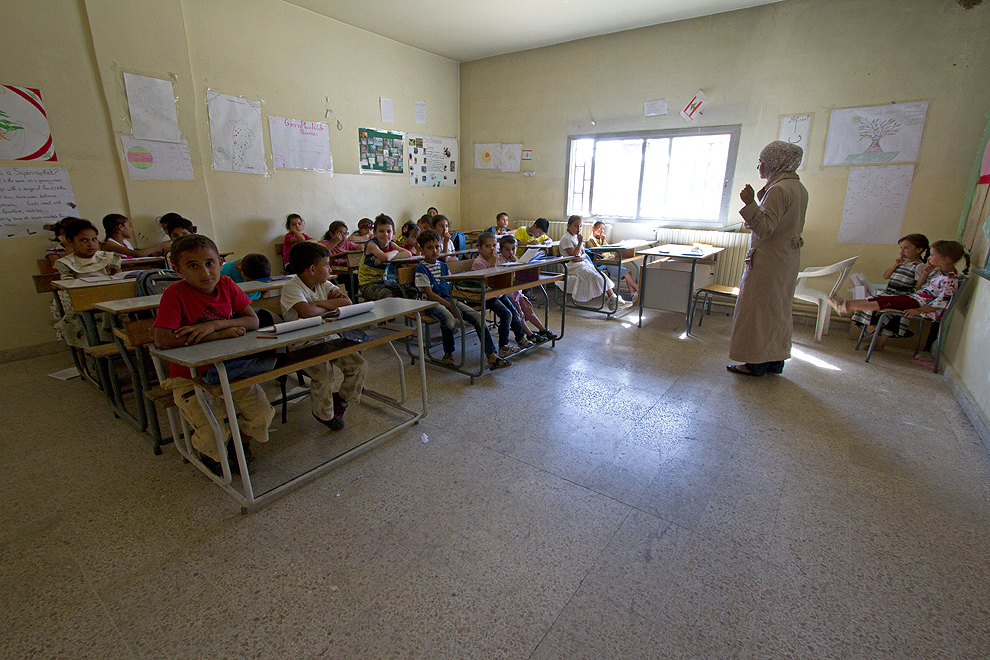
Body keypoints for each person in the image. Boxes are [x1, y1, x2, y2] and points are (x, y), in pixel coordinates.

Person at [153, 234, 275, 476]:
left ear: (220, 262)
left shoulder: (227, 285)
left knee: (261, 414)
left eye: (210, 263)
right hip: (189, 376)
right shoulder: (175, 294)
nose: (205, 273)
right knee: (211, 432)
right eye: (193, 266)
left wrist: (214, 326)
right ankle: (208, 450)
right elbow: (163, 339)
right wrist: (219, 334)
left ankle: (238, 444)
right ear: (178, 270)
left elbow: (252, 320)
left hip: (230, 369)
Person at [727, 140, 809, 377]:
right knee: (777, 311)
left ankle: (755, 363)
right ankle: (775, 360)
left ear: (774, 163)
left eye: (761, 162)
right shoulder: (798, 188)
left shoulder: (779, 189)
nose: (758, 167)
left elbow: (765, 229)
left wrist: (750, 203)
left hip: (769, 262)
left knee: (758, 311)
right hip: (785, 260)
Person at [281, 242, 368, 432]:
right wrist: (328, 305)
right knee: (324, 373)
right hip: (302, 345)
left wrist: (319, 303)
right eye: (327, 264)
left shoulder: (323, 283)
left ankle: (341, 399)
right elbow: (306, 312)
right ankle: (324, 414)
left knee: (358, 364)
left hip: (327, 338)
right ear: (312, 269)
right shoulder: (292, 288)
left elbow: (346, 301)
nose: (330, 268)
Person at [415, 229, 509, 369]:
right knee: (448, 318)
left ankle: (491, 354)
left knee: (478, 317)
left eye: (437, 246)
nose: (435, 251)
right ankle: (448, 353)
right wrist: (450, 305)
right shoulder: (421, 269)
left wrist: (454, 301)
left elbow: (451, 288)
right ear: (422, 249)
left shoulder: (443, 266)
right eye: (430, 247)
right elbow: (430, 294)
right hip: (431, 303)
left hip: (449, 299)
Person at [830, 240, 969, 324]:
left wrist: (918, 310)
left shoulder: (951, 280)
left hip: (920, 305)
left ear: (947, 259)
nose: (929, 258)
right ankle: (845, 305)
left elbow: (940, 304)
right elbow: (919, 288)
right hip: (915, 298)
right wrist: (926, 274)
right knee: (882, 298)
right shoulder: (938, 273)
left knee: (886, 302)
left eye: (932, 255)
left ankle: (846, 306)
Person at [850, 233, 930, 347]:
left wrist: (924, 275)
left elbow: (918, 288)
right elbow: (886, 276)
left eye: (906, 248)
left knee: (886, 313)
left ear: (919, 249)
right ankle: (870, 326)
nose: (902, 251)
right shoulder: (903, 263)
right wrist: (895, 265)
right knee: (868, 301)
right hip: (889, 293)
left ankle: (875, 334)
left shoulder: (920, 266)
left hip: (902, 296)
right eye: (901, 248)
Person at [473, 232, 532, 356]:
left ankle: (520, 338)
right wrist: (494, 262)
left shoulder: (497, 259)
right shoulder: (479, 263)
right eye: (488, 246)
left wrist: (513, 264)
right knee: (506, 314)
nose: (492, 249)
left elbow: (503, 278)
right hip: (485, 295)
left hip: (498, 293)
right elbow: (490, 281)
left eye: (494, 245)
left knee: (514, 313)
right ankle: (503, 346)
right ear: (480, 248)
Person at [557, 215, 629, 308]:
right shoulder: (567, 239)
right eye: (575, 226)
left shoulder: (576, 237)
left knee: (601, 275)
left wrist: (580, 257)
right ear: (568, 226)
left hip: (582, 264)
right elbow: (574, 256)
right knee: (596, 278)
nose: (578, 229)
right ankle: (611, 302)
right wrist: (579, 244)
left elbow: (583, 254)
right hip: (572, 267)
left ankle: (614, 299)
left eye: (580, 226)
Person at [497, 235, 558, 343]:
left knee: (528, 310)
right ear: (500, 250)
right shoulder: (500, 262)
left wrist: (519, 264)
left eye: (513, 249)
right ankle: (530, 335)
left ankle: (543, 330)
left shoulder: (515, 260)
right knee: (519, 314)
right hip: (508, 295)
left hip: (517, 292)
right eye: (507, 249)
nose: (511, 252)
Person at [358, 214, 411, 300]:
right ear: (374, 233)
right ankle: (396, 312)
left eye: (388, 231)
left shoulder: (391, 244)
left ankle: (406, 312)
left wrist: (389, 256)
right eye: (381, 231)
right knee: (388, 295)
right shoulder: (372, 245)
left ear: (393, 234)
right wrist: (395, 252)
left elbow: (408, 254)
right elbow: (385, 257)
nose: (385, 234)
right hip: (368, 284)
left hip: (384, 282)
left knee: (410, 292)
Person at [586, 220, 639, 301]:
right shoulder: (591, 239)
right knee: (626, 273)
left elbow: (608, 249)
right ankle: (638, 289)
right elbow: (600, 251)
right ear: (593, 228)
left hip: (610, 259)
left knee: (628, 272)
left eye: (603, 229)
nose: (601, 230)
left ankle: (633, 293)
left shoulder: (600, 239)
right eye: (599, 227)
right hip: (605, 262)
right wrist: (603, 240)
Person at [54, 217, 122, 279]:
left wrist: (115, 274)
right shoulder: (66, 263)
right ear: (70, 241)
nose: (91, 244)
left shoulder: (109, 258)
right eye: (84, 240)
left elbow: (119, 282)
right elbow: (70, 287)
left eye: (94, 239)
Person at [101, 213, 169, 258]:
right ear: (120, 227)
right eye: (129, 226)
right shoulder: (109, 244)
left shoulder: (126, 243)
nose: (132, 229)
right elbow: (136, 254)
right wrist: (160, 245)